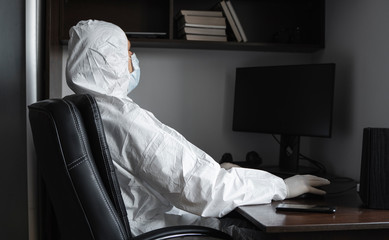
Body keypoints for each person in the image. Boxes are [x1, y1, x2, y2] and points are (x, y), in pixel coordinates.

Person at [66, 20, 330, 239]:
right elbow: (204, 191)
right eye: (127, 51)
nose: (133, 59)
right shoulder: (125, 120)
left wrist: (220, 170)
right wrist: (282, 187)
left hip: (152, 224)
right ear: (109, 59)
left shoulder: (88, 111)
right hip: (167, 231)